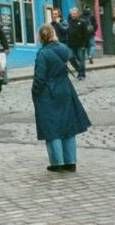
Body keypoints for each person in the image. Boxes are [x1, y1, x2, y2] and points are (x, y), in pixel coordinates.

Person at [32, 24, 91, 172]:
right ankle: (70, 161)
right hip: (65, 88)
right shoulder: (64, 49)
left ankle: (57, 162)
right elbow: (72, 60)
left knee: (52, 127)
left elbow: (40, 78)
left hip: (48, 91)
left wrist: (35, 92)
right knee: (68, 125)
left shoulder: (43, 54)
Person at [66, 8, 90, 80]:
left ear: (77, 14)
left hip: (80, 44)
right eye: (72, 14)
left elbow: (86, 34)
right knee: (70, 57)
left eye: (74, 14)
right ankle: (79, 70)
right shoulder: (68, 22)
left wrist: (84, 45)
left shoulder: (82, 22)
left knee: (81, 59)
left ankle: (82, 74)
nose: (73, 15)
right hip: (71, 44)